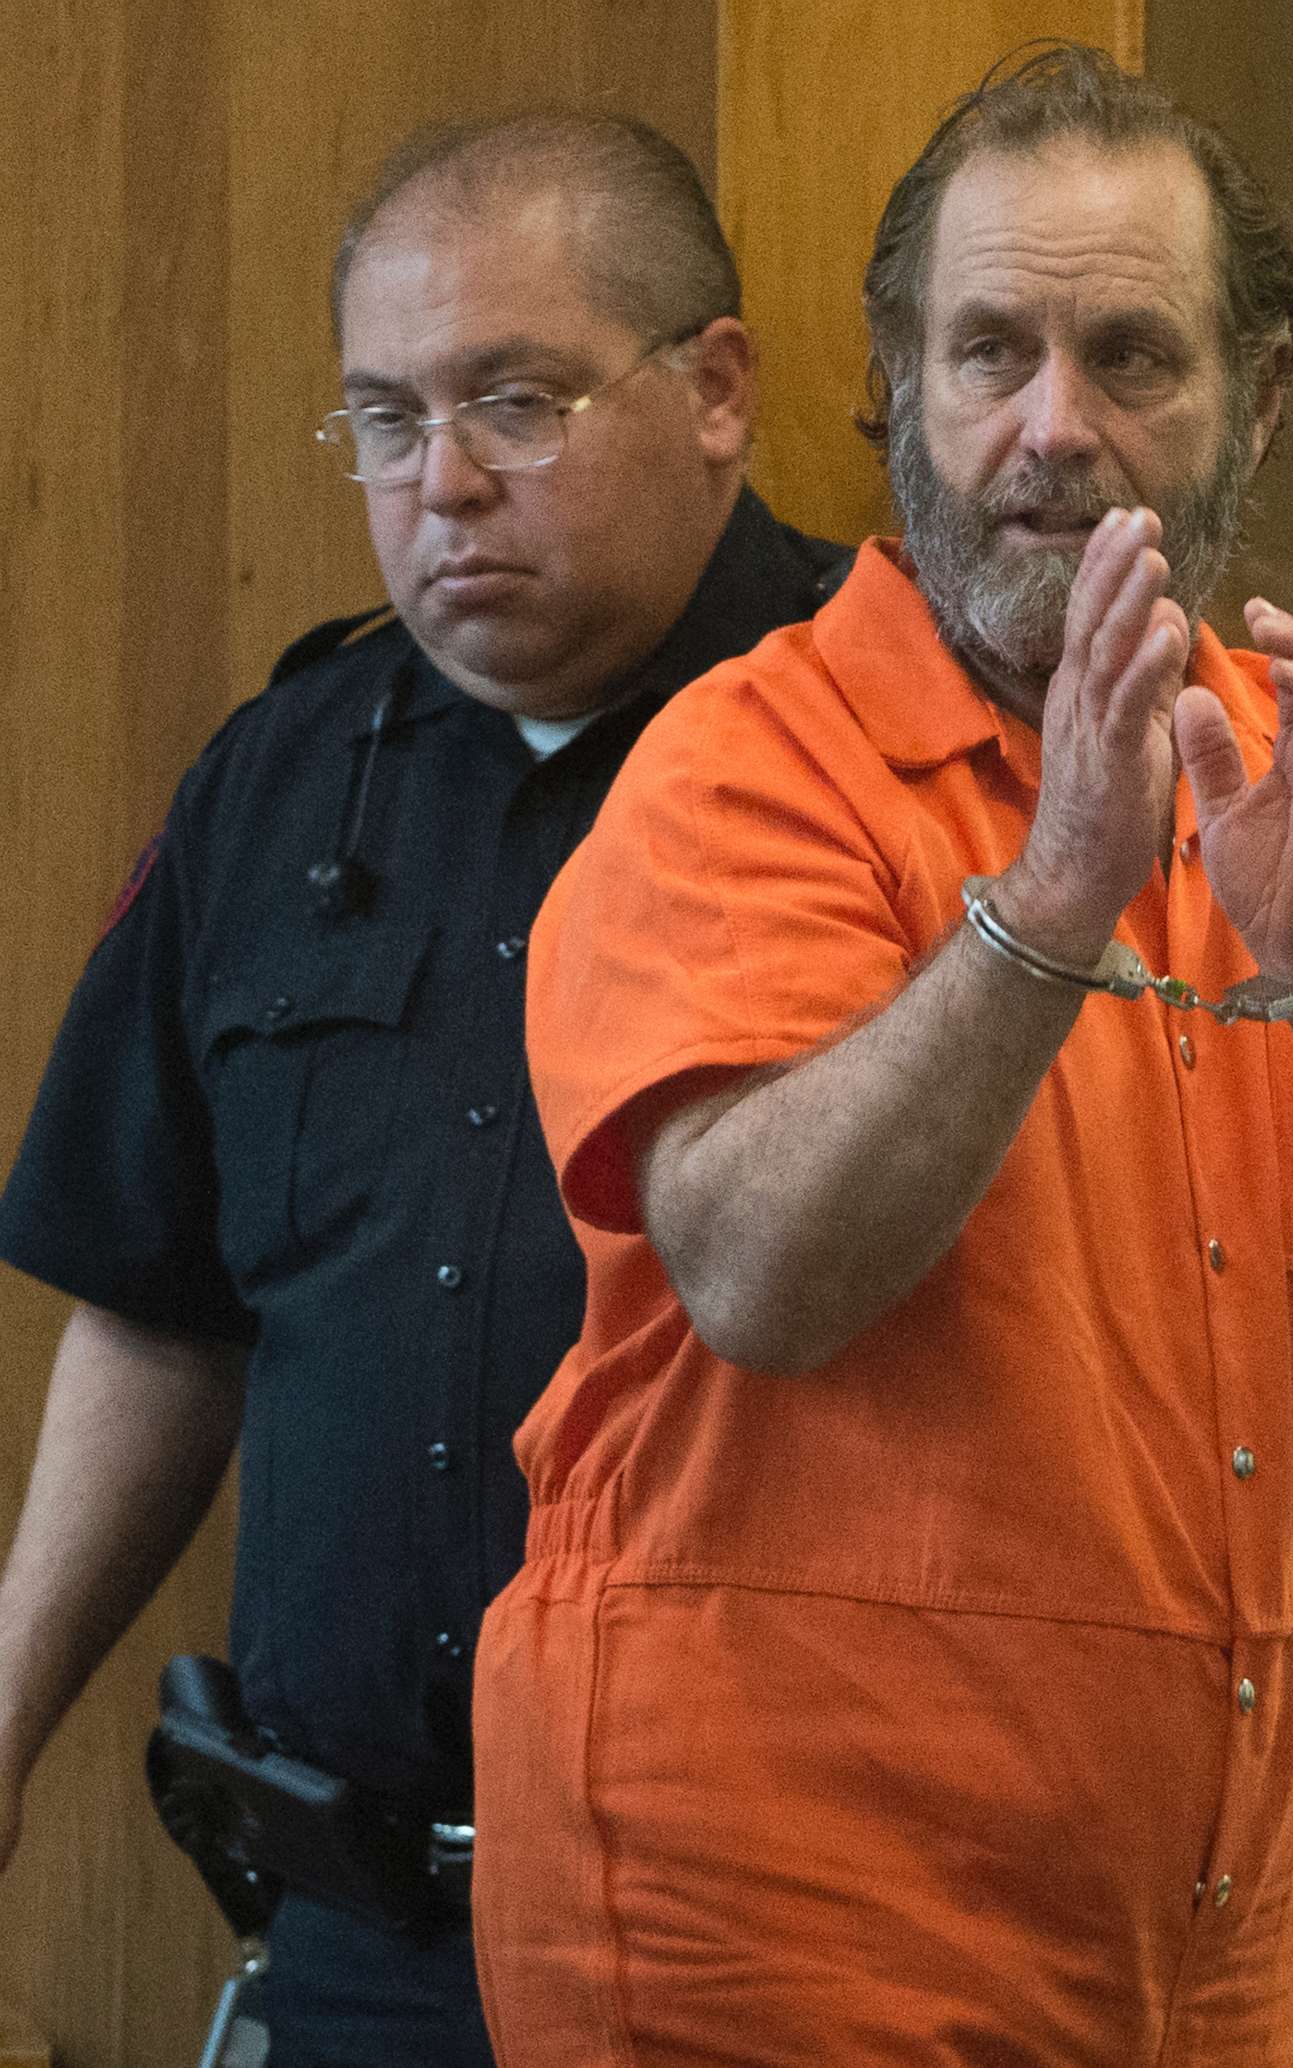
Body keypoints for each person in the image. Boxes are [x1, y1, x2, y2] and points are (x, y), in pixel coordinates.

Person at [473, 42, 1293, 2067]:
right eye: (988, 350)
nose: (1050, 430)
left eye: (1129, 358)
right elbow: (755, 1270)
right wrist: (1054, 894)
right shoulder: (746, 764)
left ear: (1255, 396)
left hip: (1196, 1957)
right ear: (900, 388)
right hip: (775, 1944)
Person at [0, 113, 846, 2066]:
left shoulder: (888, 750)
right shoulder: (280, 776)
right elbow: (159, 1306)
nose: (441, 484)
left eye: (517, 403)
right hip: (367, 1940)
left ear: (717, 387)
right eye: (384, 420)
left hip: (788, 1955)